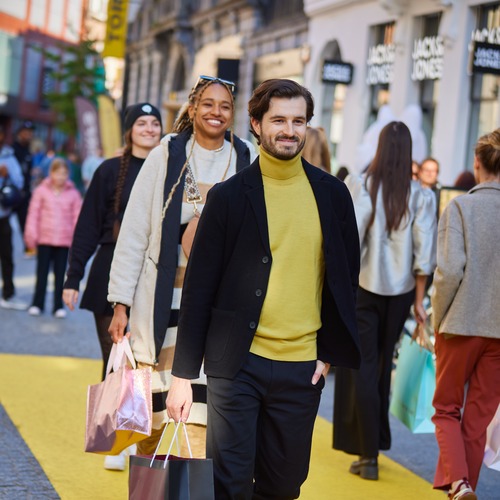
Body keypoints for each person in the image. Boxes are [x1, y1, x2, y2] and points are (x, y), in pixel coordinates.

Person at [166, 78, 361, 499]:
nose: (289, 130)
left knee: (284, 485)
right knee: (229, 484)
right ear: (256, 124)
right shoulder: (229, 197)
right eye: (278, 120)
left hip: (302, 367)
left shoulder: (333, 195)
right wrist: (182, 376)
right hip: (236, 365)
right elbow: (199, 288)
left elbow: (347, 281)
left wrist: (328, 355)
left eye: (298, 120)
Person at [107, 76, 257, 460]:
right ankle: (152, 481)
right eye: (207, 104)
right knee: (154, 413)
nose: (216, 112)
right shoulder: (168, 153)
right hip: (161, 298)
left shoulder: (245, 157)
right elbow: (135, 231)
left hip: (217, 303)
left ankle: (187, 484)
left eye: (224, 106)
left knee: (201, 408)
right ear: (192, 110)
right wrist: (120, 302)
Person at [333, 121, 437, 480]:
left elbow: (351, 242)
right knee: (381, 369)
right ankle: (374, 445)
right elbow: (425, 256)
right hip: (403, 292)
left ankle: (369, 455)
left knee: (362, 367)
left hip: (363, 288)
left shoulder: (361, 185)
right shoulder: (422, 195)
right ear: (408, 152)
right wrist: (420, 302)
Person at [62, 102, 162, 470]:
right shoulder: (108, 171)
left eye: (155, 123)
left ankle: (144, 435)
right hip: (109, 272)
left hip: (153, 276)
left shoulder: (171, 168)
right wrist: (72, 277)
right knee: (116, 359)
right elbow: (88, 225)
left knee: (149, 360)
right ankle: (118, 438)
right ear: (128, 130)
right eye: (142, 123)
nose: (149, 129)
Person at [431, 129, 500, 500]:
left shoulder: (460, 207)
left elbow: (449, 272)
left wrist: (437, 317)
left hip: (459, 322)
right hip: (499, 331)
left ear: (477, 164)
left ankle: (458, 484)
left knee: (445, 408)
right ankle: (464, 487)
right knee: (477, 420)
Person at [24, 158, 82, 317]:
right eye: (57, 173)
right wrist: (31, 236)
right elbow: (33, 214)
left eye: (64, 173)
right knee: (41, 273)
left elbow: (77, 217)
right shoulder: (41, 191)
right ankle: (37, 303)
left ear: (68, 174)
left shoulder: (73, 193)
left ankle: (58, 306)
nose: (60, 177)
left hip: (64, 240)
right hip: (45, 238)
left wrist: (77, 239)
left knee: (60, 275)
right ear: (51, 173)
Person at [0, 125, 27, 310]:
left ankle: (8, 293)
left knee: (6, 255)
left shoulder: (9, 156)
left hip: (3, 215)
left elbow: (19, 181)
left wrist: (7, 175)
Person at [12, 121, 35, 255]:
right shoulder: (12, 150)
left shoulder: (28, 150)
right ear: (19, 134)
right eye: (26, 133)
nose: (29, 135)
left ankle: (29, 247)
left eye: (30, 133)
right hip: (11, 193)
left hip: (25, 193)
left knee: (26, 222)